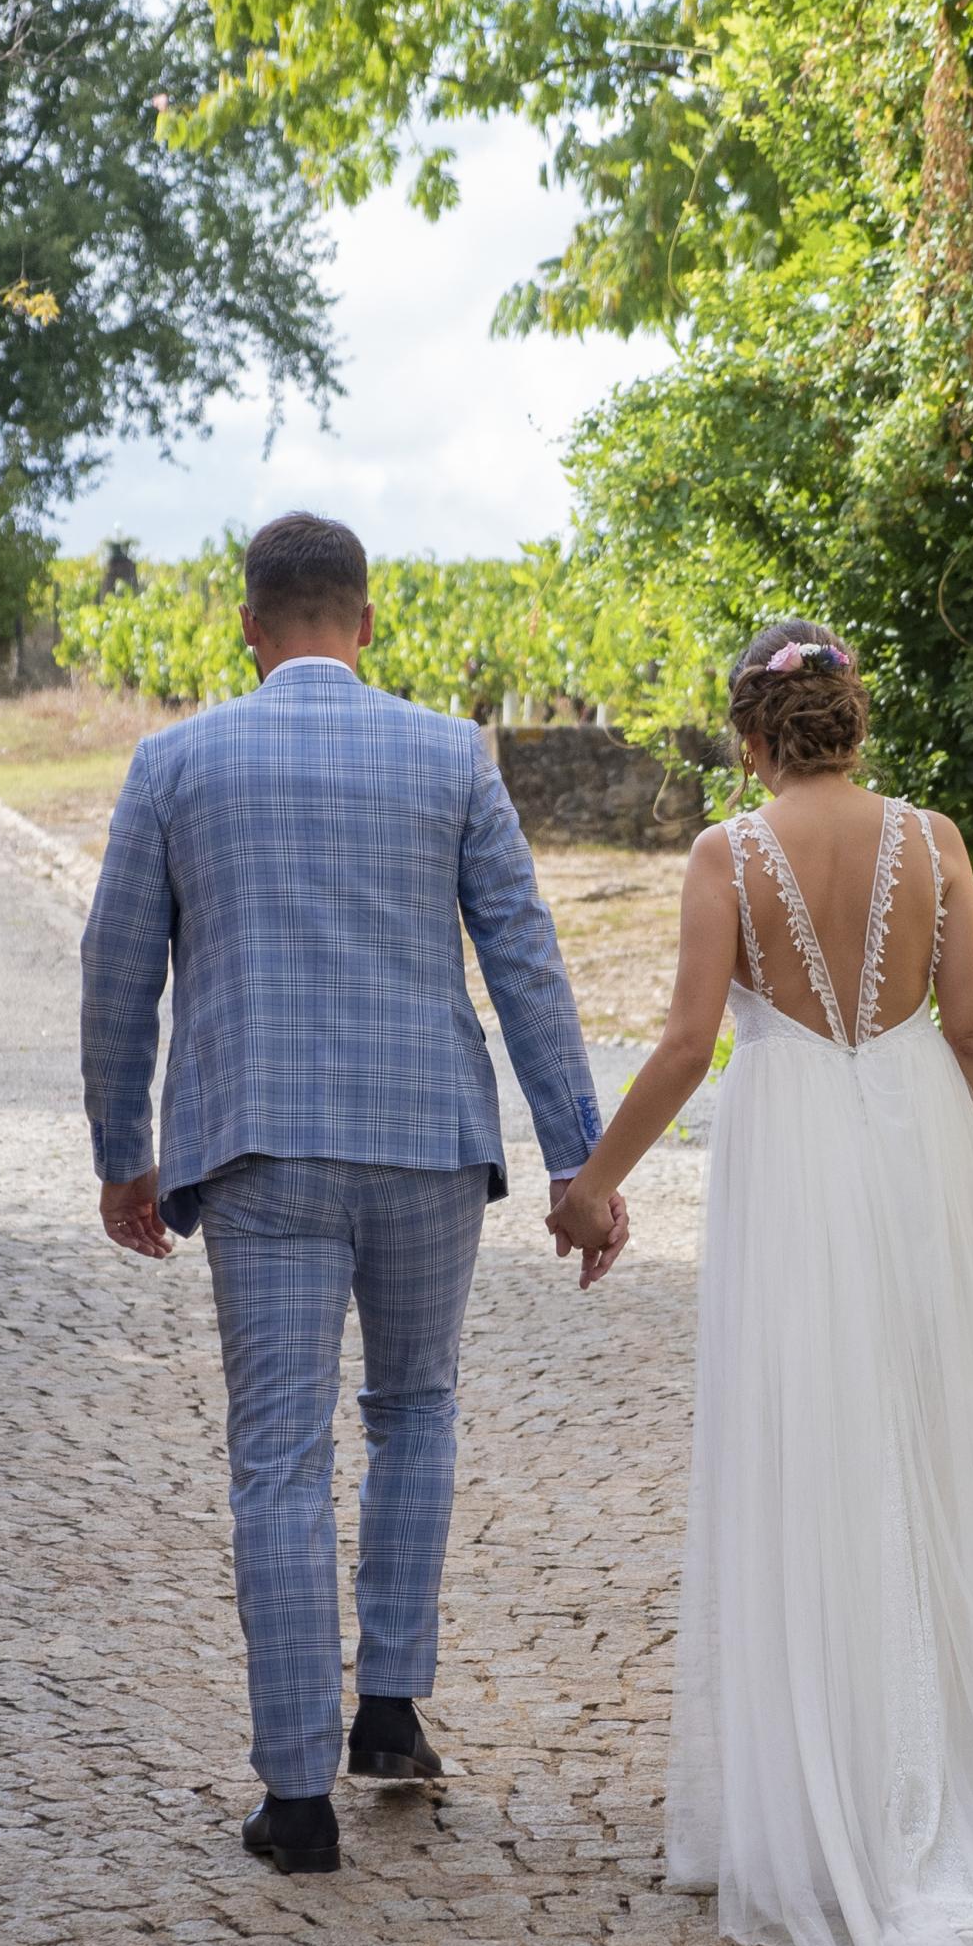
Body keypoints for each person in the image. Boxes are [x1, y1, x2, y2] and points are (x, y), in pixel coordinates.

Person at [549, 620, 973, 1946]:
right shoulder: (934, 843)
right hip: (917, 1147)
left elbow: (685, 1045)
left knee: (808, 1449)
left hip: (793, 1153)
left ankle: (829, 1799)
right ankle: (932, 1785)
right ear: (851, 721)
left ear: (750, 737)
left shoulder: (725, 855)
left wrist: (592, 1184)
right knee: (920, 1444)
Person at [81, 510, 628, 1877]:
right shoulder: (451, 755)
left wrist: (121, 1152)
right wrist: (581, 1158)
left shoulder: (175, 763)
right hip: (428, 1144)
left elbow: (117, 972)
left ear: (249, 629)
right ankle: (389, 1709)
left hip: (259, 1148)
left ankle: (295, 1798)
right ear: (368, 622)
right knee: (416, 1411)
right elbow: (527, 960)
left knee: (279, 1456)